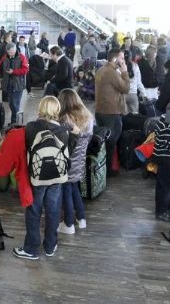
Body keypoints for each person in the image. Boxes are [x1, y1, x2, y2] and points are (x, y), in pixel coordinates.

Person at [13, 96, 71, 260]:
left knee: (34, 211)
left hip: (37, 177)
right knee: (53, 211)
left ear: (41, 108)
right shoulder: (64, 130)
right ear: (56, 110)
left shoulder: (31, 127)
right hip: (57, 179)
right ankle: (50, 246)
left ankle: (31, 249)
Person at [57, 89, 92, 234]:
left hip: (68, 161)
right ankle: (81, 219)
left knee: (66, 190)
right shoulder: (88, 116)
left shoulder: (65, 119)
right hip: (80, 161)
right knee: (74, 188)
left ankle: (69, 224)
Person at [95, 48, 130, 175]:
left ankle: (105, 168)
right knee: (110, 142)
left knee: (105, 140)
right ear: (114, 59)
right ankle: (108, 171)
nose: (123, 61)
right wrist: (125, 72)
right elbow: (125, 88)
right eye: (121, 58)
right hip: (111, 112)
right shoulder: (112, 72)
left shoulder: (101, 70)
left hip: (101, 111)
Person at [0, 43, 29, 125]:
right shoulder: (4, 57)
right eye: (9, 52)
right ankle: (15, 121)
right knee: (11, 103)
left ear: (15, 49)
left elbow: (25, 70)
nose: (11, 53)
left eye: (12, 51)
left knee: (15, 103)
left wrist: (14, 72)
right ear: (7, 51)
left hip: (18, 85)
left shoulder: (22, 57)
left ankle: (14, 122)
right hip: (8, 84)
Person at [125, 48, 146, 114]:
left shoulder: (119, 67)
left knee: (123, 118)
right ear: (132, 57)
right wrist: (144, 94)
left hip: (122, 95)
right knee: (135, 118)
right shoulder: (136, 66)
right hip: (133, 95)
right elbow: (139, 83)